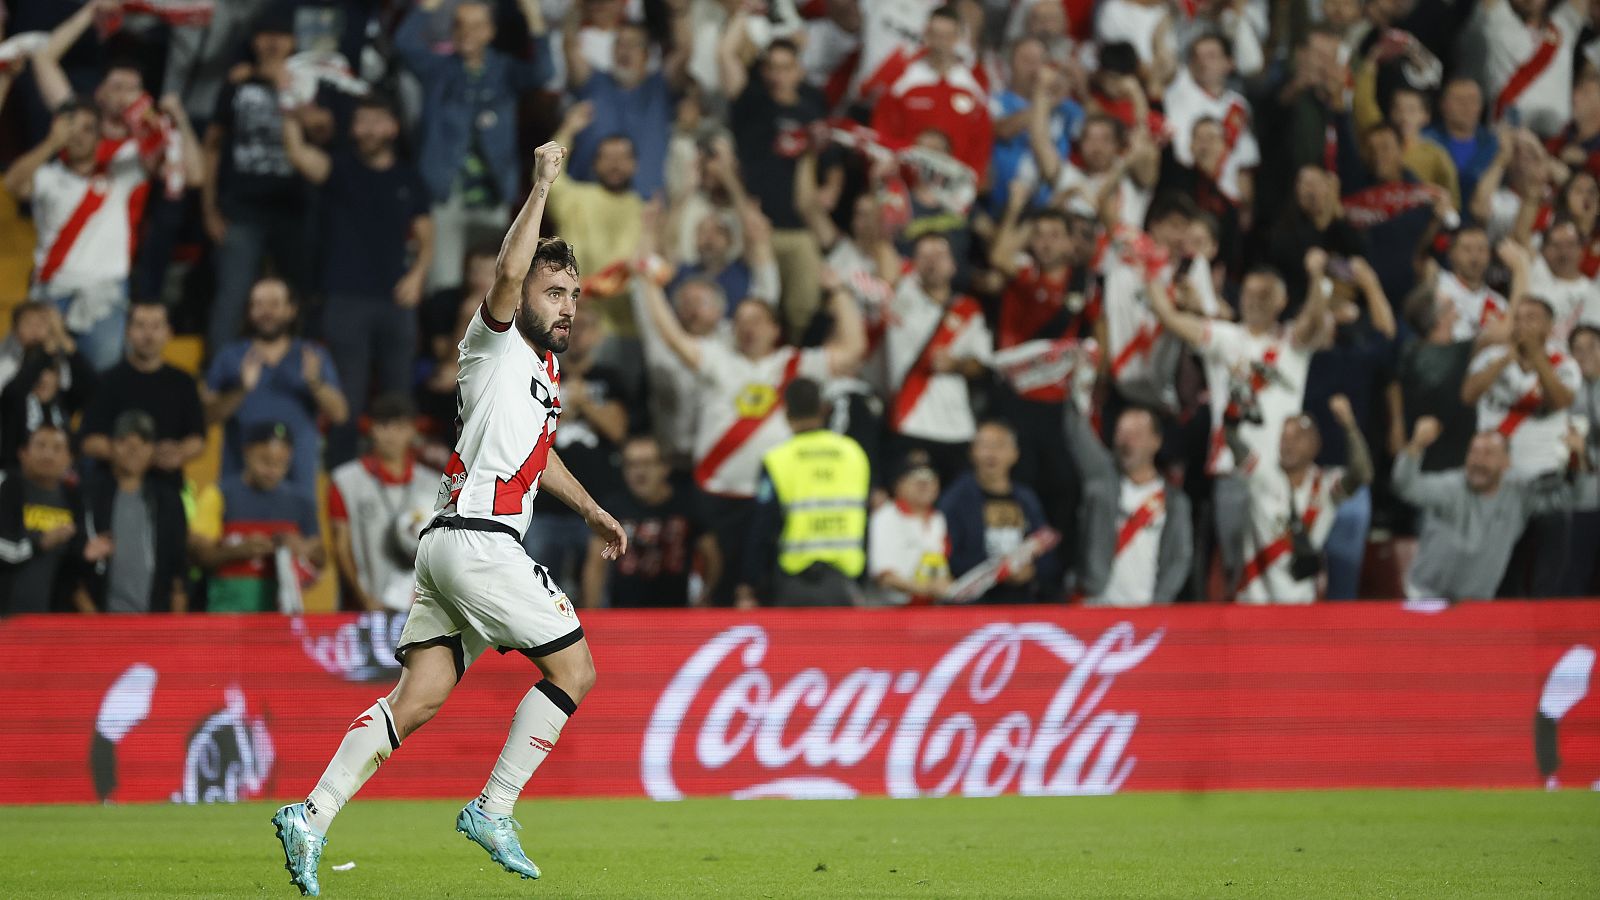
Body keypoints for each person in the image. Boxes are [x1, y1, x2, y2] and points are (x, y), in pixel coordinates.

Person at [272, 143, 629, 895]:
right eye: (554, 289)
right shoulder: (494, 338)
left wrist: (593, 508)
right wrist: (539, 187)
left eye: (574, 294)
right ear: (526, 287)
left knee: (421, 695)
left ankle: (311, 813)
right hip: (479, 540)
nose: (566, 305)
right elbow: (505, 273)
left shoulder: (543, 372)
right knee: (576, 669)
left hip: (447, 543)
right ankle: (493, 807)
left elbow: (538, 454)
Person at [633, 260, 864, 604]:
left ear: (775, 328)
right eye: (740, 322)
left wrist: (839, 292)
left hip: (772, 499)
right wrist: (650, 286)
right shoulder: (718, 358)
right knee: (718, 588)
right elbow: (673, 338)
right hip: (717, 496)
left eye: (756, 321)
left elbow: (853, 350)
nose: (747, 328)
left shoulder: (795, 363)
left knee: (767, 589)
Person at [281, 95, 434, 466]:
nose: (367, 129)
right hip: (345, 299)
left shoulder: (409, 178)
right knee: (346, 396)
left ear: (393, 127)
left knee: (399, 394)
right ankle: (341, 477)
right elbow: (299, 155)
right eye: (360, 121)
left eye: (376, 120)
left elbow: (427, 235)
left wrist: (417, 277)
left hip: (396, 300)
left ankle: (400, 473)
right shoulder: (340, 170)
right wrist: (291, 110)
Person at [396, 0, 555, 290]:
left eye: (476, 25)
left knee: (493, 284)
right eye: (459, 25)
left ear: (490, 32)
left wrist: (532, 14)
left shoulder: (503, 70)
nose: (466, 32)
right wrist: (428, 6)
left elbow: (543, 71)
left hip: (492, 196)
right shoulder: (439, 69)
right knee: (443, 285)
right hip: (446, 195)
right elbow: (404, 44)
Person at [201, 12, 314, 352]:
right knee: (232, 297)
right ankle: (217, 378)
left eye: (280, 34)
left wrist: (289, 89)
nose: (272, 42)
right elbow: (212, 146)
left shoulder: (310, 82)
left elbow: (324, 133)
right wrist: (208, 209)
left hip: (295, 210)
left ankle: (299, 378)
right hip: (241, 209)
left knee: (298, 298)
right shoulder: (236, 84)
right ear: (253, 41)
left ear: (294, 42)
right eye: (264, 34)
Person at [1461, 293, 1581, 595]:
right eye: (1519, 318)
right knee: (1500, 573)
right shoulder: (1491, 357)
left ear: (1549, 326)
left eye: (1532, 318)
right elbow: (1468, 395)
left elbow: (1560, 401)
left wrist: (1538, 359)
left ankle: (1543, 640)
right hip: (1499, 484)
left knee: (1547, 575)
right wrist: (1505, 357)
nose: (1523, 325)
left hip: (1546, 483)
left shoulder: (1563, 363)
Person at [201, 277, 349, 498]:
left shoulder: (312, 355)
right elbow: (205, 416)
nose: (266, 311)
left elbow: (340, 414)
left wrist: (315, 384)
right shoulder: (229, 356)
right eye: (258, 304)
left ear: (291, 310)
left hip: (297, 484)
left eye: (274, 304)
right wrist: (241, 390)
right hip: (239, 483)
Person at [737, 378, 870, 607]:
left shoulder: (778, 459)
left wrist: (750, 581)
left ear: (785, 411)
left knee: (795, 643)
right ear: (823, 408)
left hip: (796, 584)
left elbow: (764, 524)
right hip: (846, 583)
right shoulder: (853, 453)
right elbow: (866, 518)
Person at [1228, 395, 1374, 604]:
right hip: (1254, 602)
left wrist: (1349, 426)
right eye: (1284, 437)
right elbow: (1234, 443)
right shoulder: (1262, 476)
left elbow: (1362, 474)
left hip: (1301, 604)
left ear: (1316, 445)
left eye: (1298, 437)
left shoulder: (1324, 485)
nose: (1289, 444)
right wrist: (1235, 412)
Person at [523, 301, 628, 590]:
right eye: (573, 327)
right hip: (544, 507)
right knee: (536, 593)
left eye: (587, 327)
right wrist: (566, 410)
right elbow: (528, 435)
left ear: (598, 335)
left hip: (596, 505)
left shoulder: (609, 378)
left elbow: (618, 430)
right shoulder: (539, 373)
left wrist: (585, 403)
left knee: (597, 592)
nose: (579, 334)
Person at [885, 233, 993, 486]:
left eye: (940, 255)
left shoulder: (968, 309)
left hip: (957, 428)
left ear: (953, 265)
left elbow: (983, 365)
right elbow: (883, 255)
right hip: (909, 424)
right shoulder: (900, 299)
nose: (932, 262)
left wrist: (956, 364)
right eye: (924, 256)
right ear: (913, 264)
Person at [1393, 418, 1541, 599]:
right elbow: (1405, 486)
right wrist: (1416, 444)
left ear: (1506, 463)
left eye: (1488, 454)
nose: (1478, 461)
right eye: (1474, 452)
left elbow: (1572, 497)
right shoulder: (1450, 487)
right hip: (1427, 597)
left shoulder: (1518, 497)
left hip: (1477, 605)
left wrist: (1577, 461)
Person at [1064, 402, 1192, 607]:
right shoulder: (1101, 484)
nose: (1127, 442)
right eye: (1121, 433)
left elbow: (1180, 558)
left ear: (1156, 442)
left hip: (1144, 612)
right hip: (1094, 607)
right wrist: (1075, 397)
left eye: (1136, 434)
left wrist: (1160, 601)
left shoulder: (1174, 502)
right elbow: (1077, 435)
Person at [190, 422, 324, 614]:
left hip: (281, 618)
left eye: (281, 464)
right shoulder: (218, 495)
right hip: (226, 615)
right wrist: (237, 551)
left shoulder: (301, 502)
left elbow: (321, 557)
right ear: (247, 452)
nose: (272, 470)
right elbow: (198, 555)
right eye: (265, 461)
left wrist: (302, 548)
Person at [328, 395, 441, 613]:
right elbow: (341, 547)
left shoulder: (433, 484)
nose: (391, 434)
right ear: (370, 429)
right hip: (366, 607)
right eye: (383, 425)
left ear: (413, 430)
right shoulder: (345, 481)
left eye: (399, 426)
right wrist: (364, 598)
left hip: (420, 608)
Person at [582, 435, 720, 608]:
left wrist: (704, 597)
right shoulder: (612, 509)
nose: (639, 472)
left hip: (676, 616)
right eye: (632, 465)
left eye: (647, 463)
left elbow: (712, 556)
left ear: (665, 467)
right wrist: (592, 615)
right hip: (623, 616)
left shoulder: (688, 505)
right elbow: (595, 564)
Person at [77, 301, 205, 485]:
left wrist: (179, 452)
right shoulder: (106, 381)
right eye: (141, 326)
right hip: (111, 488)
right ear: (128, 332)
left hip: (167, 489)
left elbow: (197, 439)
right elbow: (88, 441)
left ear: (169, 332)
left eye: (156, 326)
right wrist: (136, 456)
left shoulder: (184, 382)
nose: (148, 334)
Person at [81, 412, 189, 614]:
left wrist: (177, 632)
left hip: (155, 626)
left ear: (153, 450)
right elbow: (73, 573)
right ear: (110, 446)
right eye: (124, 441)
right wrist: (94, 624)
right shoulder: (89, 496)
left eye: (143, 442)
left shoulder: (169, 500)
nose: (134, 450)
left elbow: (178, 573)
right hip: (99, 626)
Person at [939, 420, 1053, 604]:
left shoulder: (1027, 499)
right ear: (972, 452)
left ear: (1015, 454)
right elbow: (949, 557)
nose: (991, 453)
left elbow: (1045, 548)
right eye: (984, 446)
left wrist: (1032, 570)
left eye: (999, 445)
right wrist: (999, 572)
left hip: (1022, 604)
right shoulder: (954, 500)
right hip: (973, 606)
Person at [0, 425, 101, 615]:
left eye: (57, 448)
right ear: (23, 453)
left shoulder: (74, 498)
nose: (48, 454)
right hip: (6, 617)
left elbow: (74, 565)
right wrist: (40, 543)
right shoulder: (9, 488)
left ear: (69, 459)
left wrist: (88, 556)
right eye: (40, 445)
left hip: (51, 621)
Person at [867, 453, 952, 606]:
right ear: (898, 484)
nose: (924, 485)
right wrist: (927, 588)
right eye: (916, 480)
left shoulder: (938, 518)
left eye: (930, 480)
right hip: (891, 612)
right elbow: (885, 577)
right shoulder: (886, 516)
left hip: (931, 609)